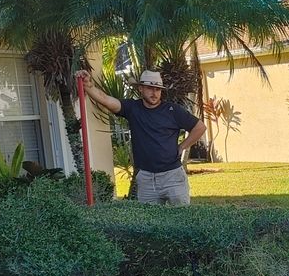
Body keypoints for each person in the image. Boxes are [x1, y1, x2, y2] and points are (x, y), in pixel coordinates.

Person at [78, 69, 207, 205]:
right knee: (150, 222)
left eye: (158, 89)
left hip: (173, 176)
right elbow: (105, 100)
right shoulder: (133, 108)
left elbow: (200, 127)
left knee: (183, 218)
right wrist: (88, 85)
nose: (154, 93)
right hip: (146, 178)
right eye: (150, 88)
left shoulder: (172, 110)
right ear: (141, 88)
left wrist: (182, 147)